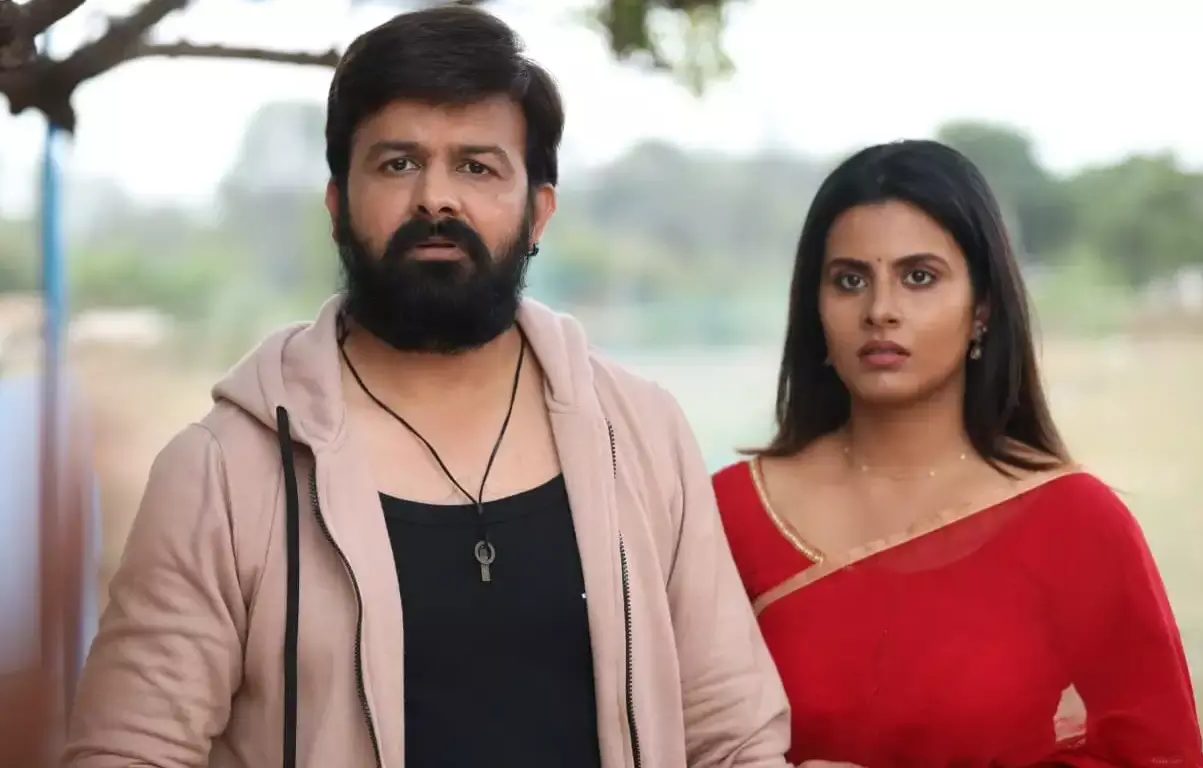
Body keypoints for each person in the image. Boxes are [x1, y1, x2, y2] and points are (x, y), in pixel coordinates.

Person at [63, 6, 791, 768]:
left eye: (477, 167)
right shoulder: (223, 472)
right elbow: (130, 750)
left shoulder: (640, 432)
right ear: (338, 206)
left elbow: (731, 736)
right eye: (397, 164)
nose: (435, 199)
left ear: (538, 213)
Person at [712, 140, 1203, 768]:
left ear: (982, 310)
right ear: (815, 307)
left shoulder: (1075, 522)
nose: (880, 311)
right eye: (849, 280)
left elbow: (1160, 756)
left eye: (919, 277)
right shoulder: (728, 514)